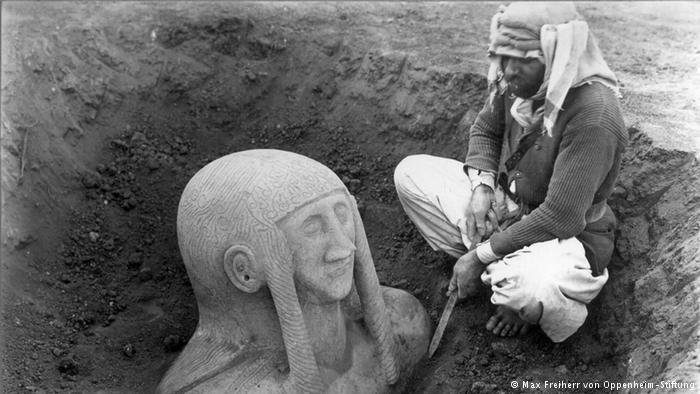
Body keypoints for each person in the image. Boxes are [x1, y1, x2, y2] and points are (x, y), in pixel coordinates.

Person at [394, 2, 627, 342]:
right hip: (513, 207)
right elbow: (485, 130)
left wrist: (481, 254)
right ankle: (498, 270)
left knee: (529, 290)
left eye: (524, 60)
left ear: (556, 58)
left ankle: (520, 291)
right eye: (503, 56)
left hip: (567, 236)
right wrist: (482, 189)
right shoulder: (516, 81)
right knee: (411, 173)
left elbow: (561, 217)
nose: (509, 70)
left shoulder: (595, 117)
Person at [158, 149, 430, 393]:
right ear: (245, 271)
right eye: (311, 227)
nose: (344, 246)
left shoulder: (404, 324)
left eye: (342, 214)